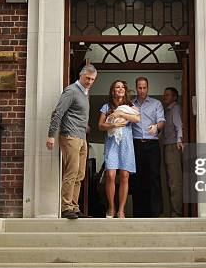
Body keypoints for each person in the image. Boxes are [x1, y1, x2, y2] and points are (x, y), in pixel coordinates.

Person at [46, 64, 97, 219]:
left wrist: (85, 126)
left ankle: (74, 207)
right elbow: (58, 112)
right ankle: (66, 207)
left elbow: (76, 114)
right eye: (87, 78)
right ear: (81, 75)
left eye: (92, 79)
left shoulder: (84, 93)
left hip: (81, 138)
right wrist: (51, 135)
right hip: (70, 137)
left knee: (80, 174)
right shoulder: (71, 91)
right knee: (72, 171)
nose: (89, 81)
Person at [98, 80, 140, 219]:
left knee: (124, 176)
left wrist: (120, 114)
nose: (120, 89)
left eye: (122, 87)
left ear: (125, 90)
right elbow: (100, 126)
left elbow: (137, 119)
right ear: (113, 91)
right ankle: (111, 207)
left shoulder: (130, 106)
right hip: (112, 142)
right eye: (117, 87)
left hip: (126, 143)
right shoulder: (106, 107)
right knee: (110, 175)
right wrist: (112, 125)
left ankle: (121, 210)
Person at [131, 77, 165, 217]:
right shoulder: (130, 104)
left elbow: (162, 121)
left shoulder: (156, 103)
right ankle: (138, 213)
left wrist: (156, 126)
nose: (142, 90)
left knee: (154, 177)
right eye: (140, 88)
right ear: (136, 87)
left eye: (144, 88)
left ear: (148, 88)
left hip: (152, 145)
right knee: (137, 178)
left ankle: (156, 212)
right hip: (135, 144)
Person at [162, 87, 184, 217]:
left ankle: (177, 213)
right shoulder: (167, 111)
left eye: (168, 95)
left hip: (173, 147)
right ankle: (173, 211)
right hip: (167, 146)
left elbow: (178, 125)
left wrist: (179, 140)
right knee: (171, 181)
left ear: (175, 97)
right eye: (164, 94)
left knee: (175, 181)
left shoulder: (175, 109)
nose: (165, 96)